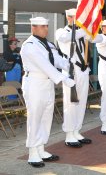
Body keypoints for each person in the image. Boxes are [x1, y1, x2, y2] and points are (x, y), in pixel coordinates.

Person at [20, 17, 75, 168]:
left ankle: (41, 148)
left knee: (46, 116)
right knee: (35, 117)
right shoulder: (29, 45)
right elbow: (45, 65)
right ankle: (32, 152)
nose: (46, 29)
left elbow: (55, 60)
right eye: (42, 26)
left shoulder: (48, 44)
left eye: (46, 26)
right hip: (35, 83)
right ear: (33, 28)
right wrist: (63, 78)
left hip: (47, 82)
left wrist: (68, 63)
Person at [55, 8, 92, 147]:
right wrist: (85, 30)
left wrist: (92, 28)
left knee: (82, 101)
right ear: (68, 18)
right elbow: (66, 38)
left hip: (83, 69)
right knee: (70, 102)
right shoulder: (62, 31)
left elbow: (96, 38)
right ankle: (69, 134)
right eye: (71, 17)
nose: (73, 19)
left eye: (76, 17)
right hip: (71, 70)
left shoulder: (82, 33)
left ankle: (77, 130)